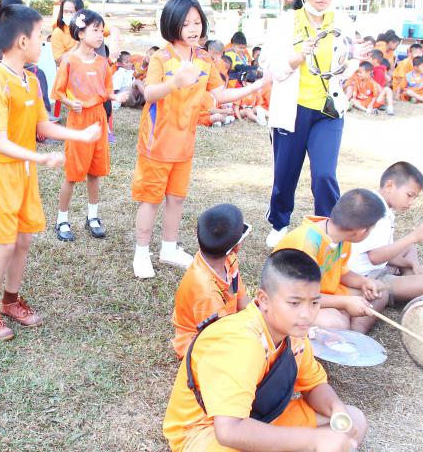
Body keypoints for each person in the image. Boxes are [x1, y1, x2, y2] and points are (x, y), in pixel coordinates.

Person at [0, 4, 100, 340]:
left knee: (23, 239)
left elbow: (42, 124)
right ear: (21, 42)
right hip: (0, 172)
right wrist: (40, 158)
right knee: (5, 244)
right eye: (39, 35)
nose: (43, 42)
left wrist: (79, 135)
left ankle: (11, 301)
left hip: (24, 171)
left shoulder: (30, 80)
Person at [163, 248, 367, 452]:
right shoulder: (241, 343)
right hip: (207, 432)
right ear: (264, 300)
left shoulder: (294, 333)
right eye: (294, 303)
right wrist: (314, 440)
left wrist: (337, 412)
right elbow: (228, 431)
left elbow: (314, 385)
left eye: (314, 303)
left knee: (354, 420)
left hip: (261, 418)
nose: (306, 314)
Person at [132, 0, 267, 279]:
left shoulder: (205, 59)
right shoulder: (161, 58)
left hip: (184, 144)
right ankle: (141, 253)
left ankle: (169, 248)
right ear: (172, 24)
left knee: (176, 198)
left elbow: (220, 94)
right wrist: (175, 82)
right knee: (151, 200)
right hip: (157, 143)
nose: (193, 29)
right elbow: (150, 93)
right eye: (186, 24)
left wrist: (259, 85)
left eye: (197, 22)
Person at [261, 0, 373, 248]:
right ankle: (279, 223)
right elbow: (270, 66)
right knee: (285, 172)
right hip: (292, 109)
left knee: (324, 173)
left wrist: (354, 58)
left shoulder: (343, 23)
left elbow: (345, 66)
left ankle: (331, 228)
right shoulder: (286, 24)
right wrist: (297, 56)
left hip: (328, 110)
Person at [52, 9, 128, 242]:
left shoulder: (103, 62)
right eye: (95, 30)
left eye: (101, 30)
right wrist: (70, 103)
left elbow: (106, 90)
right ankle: (62, 219)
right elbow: (57, 92)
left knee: (95, 172)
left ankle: (92, 216)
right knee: (72, 173)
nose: (100, 35)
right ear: (80, 33)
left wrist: (115, 96)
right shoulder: (69, 61)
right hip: (79, 121)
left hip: (98, 119)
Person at [274, 188, 387, 334]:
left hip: (321, 295)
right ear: (361, 231)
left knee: (378, 292)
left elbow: (342, 272)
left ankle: (351, 327)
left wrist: (363, 282)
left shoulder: (342, 238)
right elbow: (300, 295)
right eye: (371, 229)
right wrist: (345, 302)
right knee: (336, 323)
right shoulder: (307, 244)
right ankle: (345, 324)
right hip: (292, 301)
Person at [348, 162, 423, 304]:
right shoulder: (375, 213)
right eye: (409, 195)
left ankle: (410, 277)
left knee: (409, 249)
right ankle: (410, 283)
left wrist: (411, 262)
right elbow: (375, 257)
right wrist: (413, 237)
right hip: (367, 278)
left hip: (374, 269)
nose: (411, 202)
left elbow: (377, 252)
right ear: (389, 186)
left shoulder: (377, 204)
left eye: (414, 198)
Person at [171, 204, 250, 359]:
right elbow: (218, 339)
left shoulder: (228, 259)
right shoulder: (206, 292)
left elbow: (242, 301)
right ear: (236, 246)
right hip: (199, 340)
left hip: (224, 323)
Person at [51, 0, 85, 65]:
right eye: (65, 12)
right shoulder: (58, 32)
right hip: (69, 69)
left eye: (72, 12)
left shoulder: (88, 26)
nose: (68, 14)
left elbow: (108, 30)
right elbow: (58, 61)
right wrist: (77, 46)